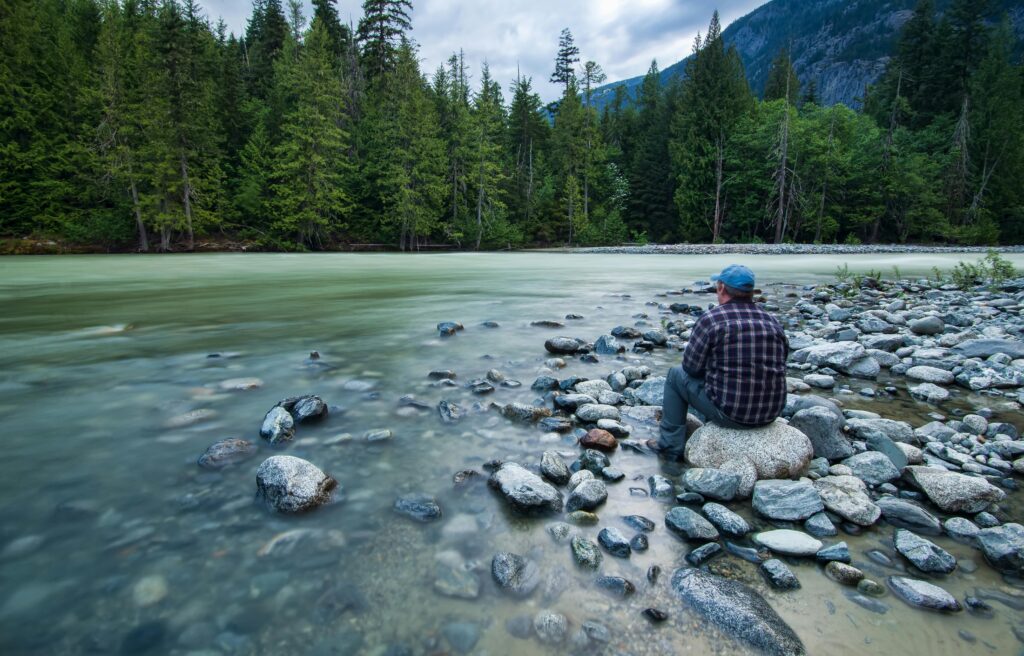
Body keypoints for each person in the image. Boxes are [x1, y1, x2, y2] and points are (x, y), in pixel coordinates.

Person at [648, 264, 789, 460]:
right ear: (750, 291)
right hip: (770, 413)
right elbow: (781, 361)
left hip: (733, 415)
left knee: (675, 375)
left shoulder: (712, 319)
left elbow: (690, 368)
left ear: (721, 287)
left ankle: (670, 446)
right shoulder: (771, 321)